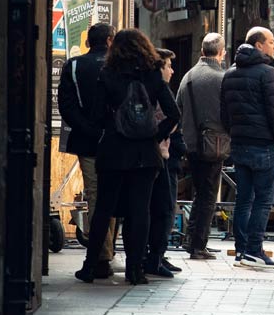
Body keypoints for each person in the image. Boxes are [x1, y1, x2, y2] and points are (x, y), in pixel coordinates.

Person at [75, 29, 179, 286]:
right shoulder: (153, 75)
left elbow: (97, 116)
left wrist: (111, 128)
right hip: (145, 154)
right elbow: (174, 113)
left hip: (114, 151)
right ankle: (135, 270)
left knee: (104, 209)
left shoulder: (108, 74)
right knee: (140, 210)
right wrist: (155, 136)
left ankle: (90, 266)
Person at [219, 26, 274, 269]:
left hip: (240, 145)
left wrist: (236, 134)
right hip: (265, 146)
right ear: (259, 45)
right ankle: (254, 250)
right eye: (271, 41)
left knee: (244, 199)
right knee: (263, 201)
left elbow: (224, 115)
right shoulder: (268, 73)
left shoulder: (229, 74)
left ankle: (241, 250)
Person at [57, 23, 117, 278]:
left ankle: (103, 254)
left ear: (88, 42)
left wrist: (88, 129)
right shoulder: (119, 66)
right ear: (110, 40)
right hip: (116, 141)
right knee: (112, 195)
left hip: (87, 141)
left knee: (95, 195)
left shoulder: (73, 66)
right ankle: (105, 254)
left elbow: (66, 106)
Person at [176, 31, 228, 259]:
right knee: (208, 195)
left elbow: (177, 108)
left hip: (191, 143)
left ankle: (192, 239)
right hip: (214, 144)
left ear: (202, 51)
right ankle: (198, 244)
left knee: (200, 191)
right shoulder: (222, 78)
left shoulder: (188, 76)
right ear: (221, 53)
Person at [144, 47, 184, 278]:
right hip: (160, 155)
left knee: (152, 208)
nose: (172, 70)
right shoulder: (158, 90)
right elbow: (173, 117)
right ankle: (154, 257)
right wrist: (158, 137)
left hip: (154, 153)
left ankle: (152, 256)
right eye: (168, 65)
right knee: (163, 208)